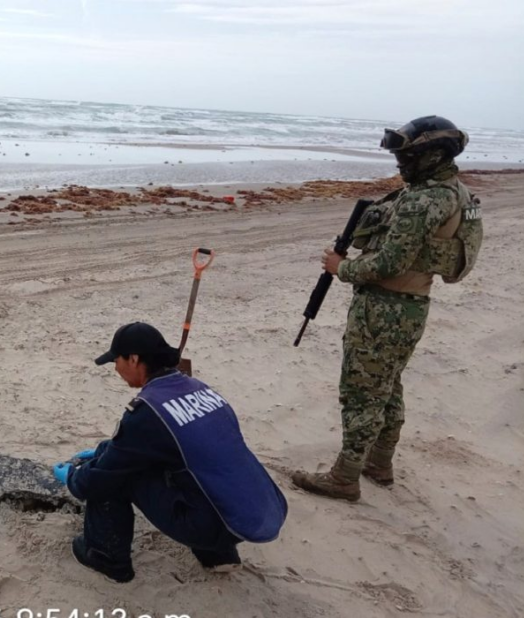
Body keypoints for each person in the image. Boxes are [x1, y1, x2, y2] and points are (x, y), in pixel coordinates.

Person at [292, 116, 483, 501]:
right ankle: (379, 463)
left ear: (432, 155)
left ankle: (344, 478)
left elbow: (387, 264)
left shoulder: (424, 199)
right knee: (388, 388)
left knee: (362, 393)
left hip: (384, 309)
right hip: (411, 307)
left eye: (407, 155)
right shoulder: (455, 192)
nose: (400, 163)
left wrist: (340, 268)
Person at [53, 322, 288, 583]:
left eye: (116, 361)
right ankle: (219, 555)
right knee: (180, 462)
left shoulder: (146, 412)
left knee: (112, 477)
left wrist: (74, 477)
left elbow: (103, 476)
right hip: (252, 511)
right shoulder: (201, 389)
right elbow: (172, 446)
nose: (115, 369)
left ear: (133, 359)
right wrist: (105, 448)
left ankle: (106, 557)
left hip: (211, 524)